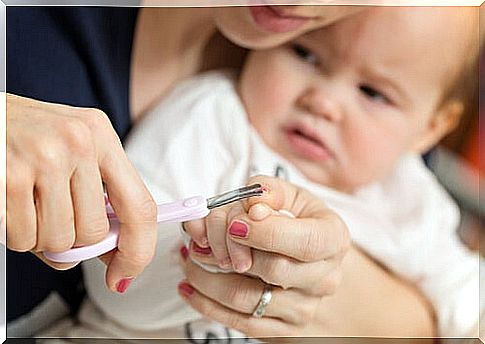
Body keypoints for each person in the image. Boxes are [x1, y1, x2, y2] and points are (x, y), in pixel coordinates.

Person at [7, 5, 434, 339]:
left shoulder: (397, 147)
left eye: (373, 94)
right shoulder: (213, 112)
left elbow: (455, 309)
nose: (325, 104)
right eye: (305, 56)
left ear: (432, 127)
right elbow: (120, 282)